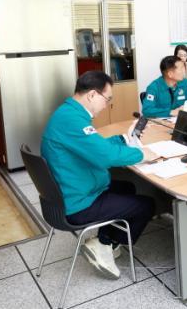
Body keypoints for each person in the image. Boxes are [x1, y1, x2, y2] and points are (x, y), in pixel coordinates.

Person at [41, 71, 156, 279]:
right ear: (92, 95)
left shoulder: (69, 113)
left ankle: (105, 240)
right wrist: (142, 154)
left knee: (128, 187)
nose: (107, 105)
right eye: (107, 99)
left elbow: (95, 146)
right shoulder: (73, 121)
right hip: (78, 203)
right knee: (146, 205)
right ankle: (104, 245)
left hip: (70, 192)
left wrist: (124, 138)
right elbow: (105, 157)